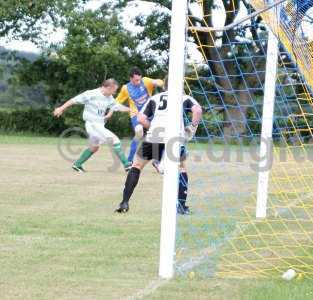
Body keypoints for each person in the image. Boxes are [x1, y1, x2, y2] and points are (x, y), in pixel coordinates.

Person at [114, 78, 202, 214]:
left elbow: (140, 119)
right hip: (173, 138)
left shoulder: (155, 98)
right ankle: (181, 206)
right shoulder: (184, 98)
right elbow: (197, 110)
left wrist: (153, 128)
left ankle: (124, 202)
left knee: (136, 166)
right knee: (182, 168)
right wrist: (192, 128)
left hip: (153, 137)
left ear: (164, 86)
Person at [53, 78, 132, 172]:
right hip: (92, 124)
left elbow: (117, 107)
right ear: (107, 87)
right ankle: (127, 165)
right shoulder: (91, 94)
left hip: (99, 125)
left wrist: (131, 110)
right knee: (115, 140)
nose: (114, 93)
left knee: (94, 147)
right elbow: (74, 100)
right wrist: (61, 108)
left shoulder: (109, 97)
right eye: (114, 90)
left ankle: (77, 165)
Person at [115, 67, 164, 166]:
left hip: (150, 113)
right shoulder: (126, 88)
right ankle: (129, 160)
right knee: (139, 132)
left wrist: (159, 83)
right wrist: (121, 108)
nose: (138, 81)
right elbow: (116, 103)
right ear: (131, 78)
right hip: (136, 115)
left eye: (139, 79)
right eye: (136, 80)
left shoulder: (145, 81)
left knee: (161, 134)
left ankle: (157, 162)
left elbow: (157, 82)